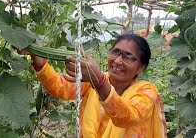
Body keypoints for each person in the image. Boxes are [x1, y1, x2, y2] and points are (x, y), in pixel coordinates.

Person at [20, 34, 167, 137]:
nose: (117, 61)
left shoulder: (147, 91)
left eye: (128, 56)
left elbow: (127, 117)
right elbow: (59, 86)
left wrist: (99, 82)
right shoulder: (91, 80)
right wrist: (38, 60)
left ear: (141, 67)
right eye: (115, 52)